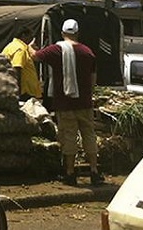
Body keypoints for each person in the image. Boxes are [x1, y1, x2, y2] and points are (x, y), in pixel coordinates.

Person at [33, 19, 104, 186]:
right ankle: (94, 171)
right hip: (84, 102)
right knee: (89, 135)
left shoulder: (56, 49)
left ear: (63, 33)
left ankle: (70, 173)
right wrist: (88, 94)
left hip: (64, 102)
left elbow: (35, 57)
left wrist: (30, 47)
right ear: (77, 33)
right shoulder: (87, 52)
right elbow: (93, 77)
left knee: (69, 135)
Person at [1, 27, 42, 100]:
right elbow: (17, 68)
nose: (31, 39)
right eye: (30, 36)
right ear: (23, 35)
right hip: (24, 92)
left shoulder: (11, 46)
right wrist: (18, 91)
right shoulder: (20, 49)